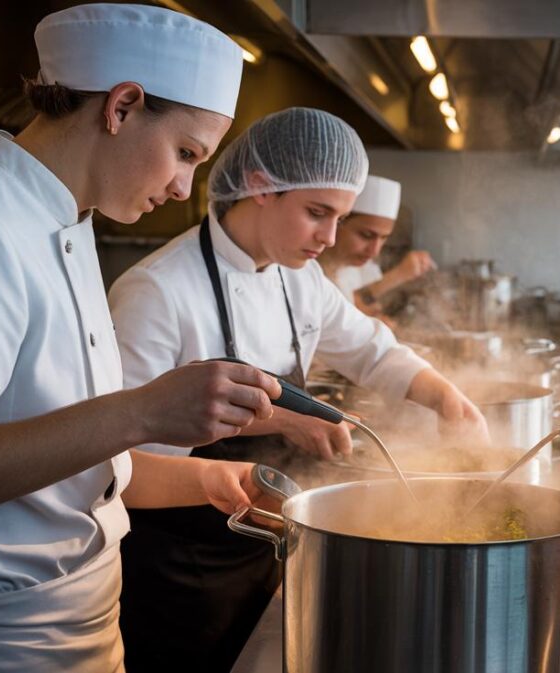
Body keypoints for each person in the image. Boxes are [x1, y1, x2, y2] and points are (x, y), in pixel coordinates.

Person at [0, 5, 283, 671]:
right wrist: (144, 410)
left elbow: (63, 464)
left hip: (86, 626)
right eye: (186, 153)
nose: (182, 187)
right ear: (122, 106)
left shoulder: (67, 225)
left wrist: (209, 475)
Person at [108, 106, 489, 671]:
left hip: (273, 542)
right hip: (184, 567)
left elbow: (369, 346)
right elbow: (126, 464)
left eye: (340, 217)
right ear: (261, 186)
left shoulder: (298, 275)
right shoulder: (157, 292)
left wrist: (443, 395)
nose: (329, 237)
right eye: (317, 213)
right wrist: (285, 419)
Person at [317, 174, 436, 317]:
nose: (374, 251)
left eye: (384, 238)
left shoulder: (365, 267)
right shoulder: (309, 269)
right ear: (338, 223)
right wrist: (399, 274)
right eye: (366, 235)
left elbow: (366, 306)